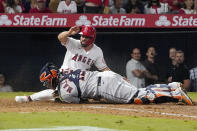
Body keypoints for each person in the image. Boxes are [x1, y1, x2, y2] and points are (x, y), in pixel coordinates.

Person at [16, 63, 193, 105]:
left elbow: (82, 101)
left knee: (138, 98)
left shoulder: (64, 90)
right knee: (140, 91)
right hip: (107, 75)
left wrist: (30, 98)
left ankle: (176, 94)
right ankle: (173, 86)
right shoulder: (66, 69)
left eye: (48, 80)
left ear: (53, 77)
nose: (48, 84)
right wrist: (29, 98)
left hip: (105, 86)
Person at [15, 25, 110, 103]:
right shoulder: (74, 43)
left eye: (86, 37)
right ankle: (29, 98)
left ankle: (76, 98)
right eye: (82, 36)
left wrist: (117, 77)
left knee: (61, 93)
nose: (83, 38)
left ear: (92, 38)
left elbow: (104, 69)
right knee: (56, 91)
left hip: (81, 80)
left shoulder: (97, 51)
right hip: (65, 75)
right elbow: (60, 37)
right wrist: (69, 33)